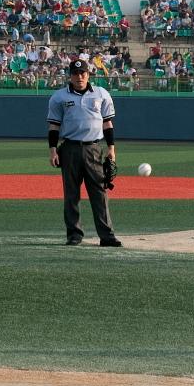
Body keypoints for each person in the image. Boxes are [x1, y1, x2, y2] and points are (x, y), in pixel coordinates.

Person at [47, 59, 122, 247]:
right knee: (71, 194)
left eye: (83, 73)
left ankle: (107, 235)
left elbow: (107, 124)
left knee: (99, 193)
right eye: (75, 73)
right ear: (70, 75)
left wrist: (111, 148)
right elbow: (54, 126)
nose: (79, 77)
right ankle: (74, 234)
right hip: (70, 148)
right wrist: (53, 150)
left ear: (88, 74)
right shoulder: (59, 97)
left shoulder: (101, 94)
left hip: (93, 149)